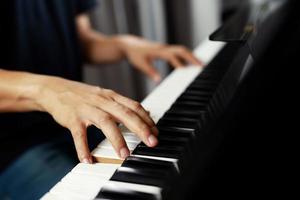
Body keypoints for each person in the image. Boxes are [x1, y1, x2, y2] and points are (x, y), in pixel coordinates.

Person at [0, 0, 201, 199]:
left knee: (175, 165)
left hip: (80, 123)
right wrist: (46, 91)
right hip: (14, 147)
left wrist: (123, 45)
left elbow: (82, 40)